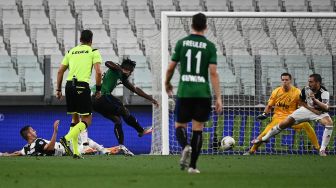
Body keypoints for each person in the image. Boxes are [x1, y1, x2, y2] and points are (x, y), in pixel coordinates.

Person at [165, 13, 222, 174]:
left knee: (179, 125)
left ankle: (185, 146)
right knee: (198, 129)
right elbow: (213, 73)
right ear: (205, 26)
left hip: (185, 92)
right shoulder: (210, 46)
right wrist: (218, 97)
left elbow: (170, 68)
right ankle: (193, 167)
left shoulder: (182, 43)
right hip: (203, 93)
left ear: (192, 25)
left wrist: (167, 82)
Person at [252, 74, 333, 156]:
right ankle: (260, 143)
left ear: (317, 83)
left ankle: (321, 149)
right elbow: (301, 102)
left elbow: (326, 108)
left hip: (319, 112)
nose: (309, 83)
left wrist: (314, 100)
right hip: (290, 113)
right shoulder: (304, 89)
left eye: (311, 82)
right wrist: (265, 113)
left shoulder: (324, 92)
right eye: (283, 80)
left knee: (328, 123)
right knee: (278, 126)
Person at [92, 58, 159, 156]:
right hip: (101, 95)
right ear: (127, 70)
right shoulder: (116, 69)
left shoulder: (122, 78)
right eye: (130, 72)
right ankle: (141, 130)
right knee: (123, 109)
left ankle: (121, 146)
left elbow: (135, 89)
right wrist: (120, 69)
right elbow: (107, 63)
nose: (130, 74)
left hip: (95, 102)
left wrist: (151, 99)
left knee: (117, 120)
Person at [56, 30, 102, 158]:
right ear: (91, 40)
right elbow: (98, 72)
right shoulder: (93, 51)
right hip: (82, 86)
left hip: (69, 86)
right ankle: (66, 138)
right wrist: (98, 89)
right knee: (87, 119)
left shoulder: (70, 51)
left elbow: (60, 71)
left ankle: (76, 152)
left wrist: (58, 89)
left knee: (75, 119)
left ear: (80, 39)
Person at [0, 121, 115, 157]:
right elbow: (49, 147)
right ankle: (93, 150)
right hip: (65, 149)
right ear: (29, 135)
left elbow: (16, 153)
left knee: (81, 135)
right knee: (81, 129)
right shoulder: (38, 142)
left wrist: (3, 155)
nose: (34, 131)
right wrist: (55, 131)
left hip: (65, 148)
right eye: (32, 130)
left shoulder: (26, 149)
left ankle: (96, 150)